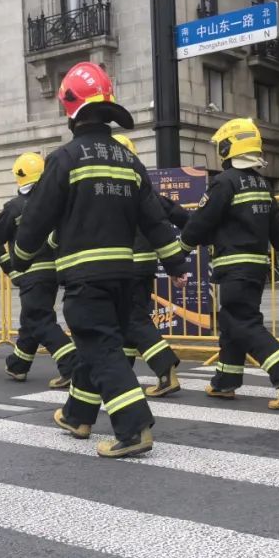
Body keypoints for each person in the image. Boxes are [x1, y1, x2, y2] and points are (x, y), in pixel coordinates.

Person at [12, 61, 188, 458]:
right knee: (99, 342)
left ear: (70, 107)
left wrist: (20, 258)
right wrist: (177, 264)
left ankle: (134, 427)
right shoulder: (128, 160)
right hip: (125, 275)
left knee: (100, 346)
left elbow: (37, 216)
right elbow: (154, 219)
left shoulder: (65, 157)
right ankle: (77, 416)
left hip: (85, 276)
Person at [179, 118, 279, 410]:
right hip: (256, 268)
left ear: (227, 149)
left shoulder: (224, 182)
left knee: (241, 322)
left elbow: (201, 221)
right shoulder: (262, 184)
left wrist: (180, 250)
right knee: (233, 322)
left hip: (234, 267)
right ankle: (225, 382)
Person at [0, 152, 76, 388]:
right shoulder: (55, 203)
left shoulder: (15, 206)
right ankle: (18, 365)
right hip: (53, 271)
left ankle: (71, 364)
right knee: (31, 319)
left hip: (30, 272)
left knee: (40, 320)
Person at [113, 133, 188, 398]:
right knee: (128, 320)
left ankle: (165, 369)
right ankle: (122, 374)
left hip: (124, 266)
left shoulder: (108, 194)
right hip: (145, 266)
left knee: (134, 319)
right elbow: (177, 214)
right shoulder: (143, 190)